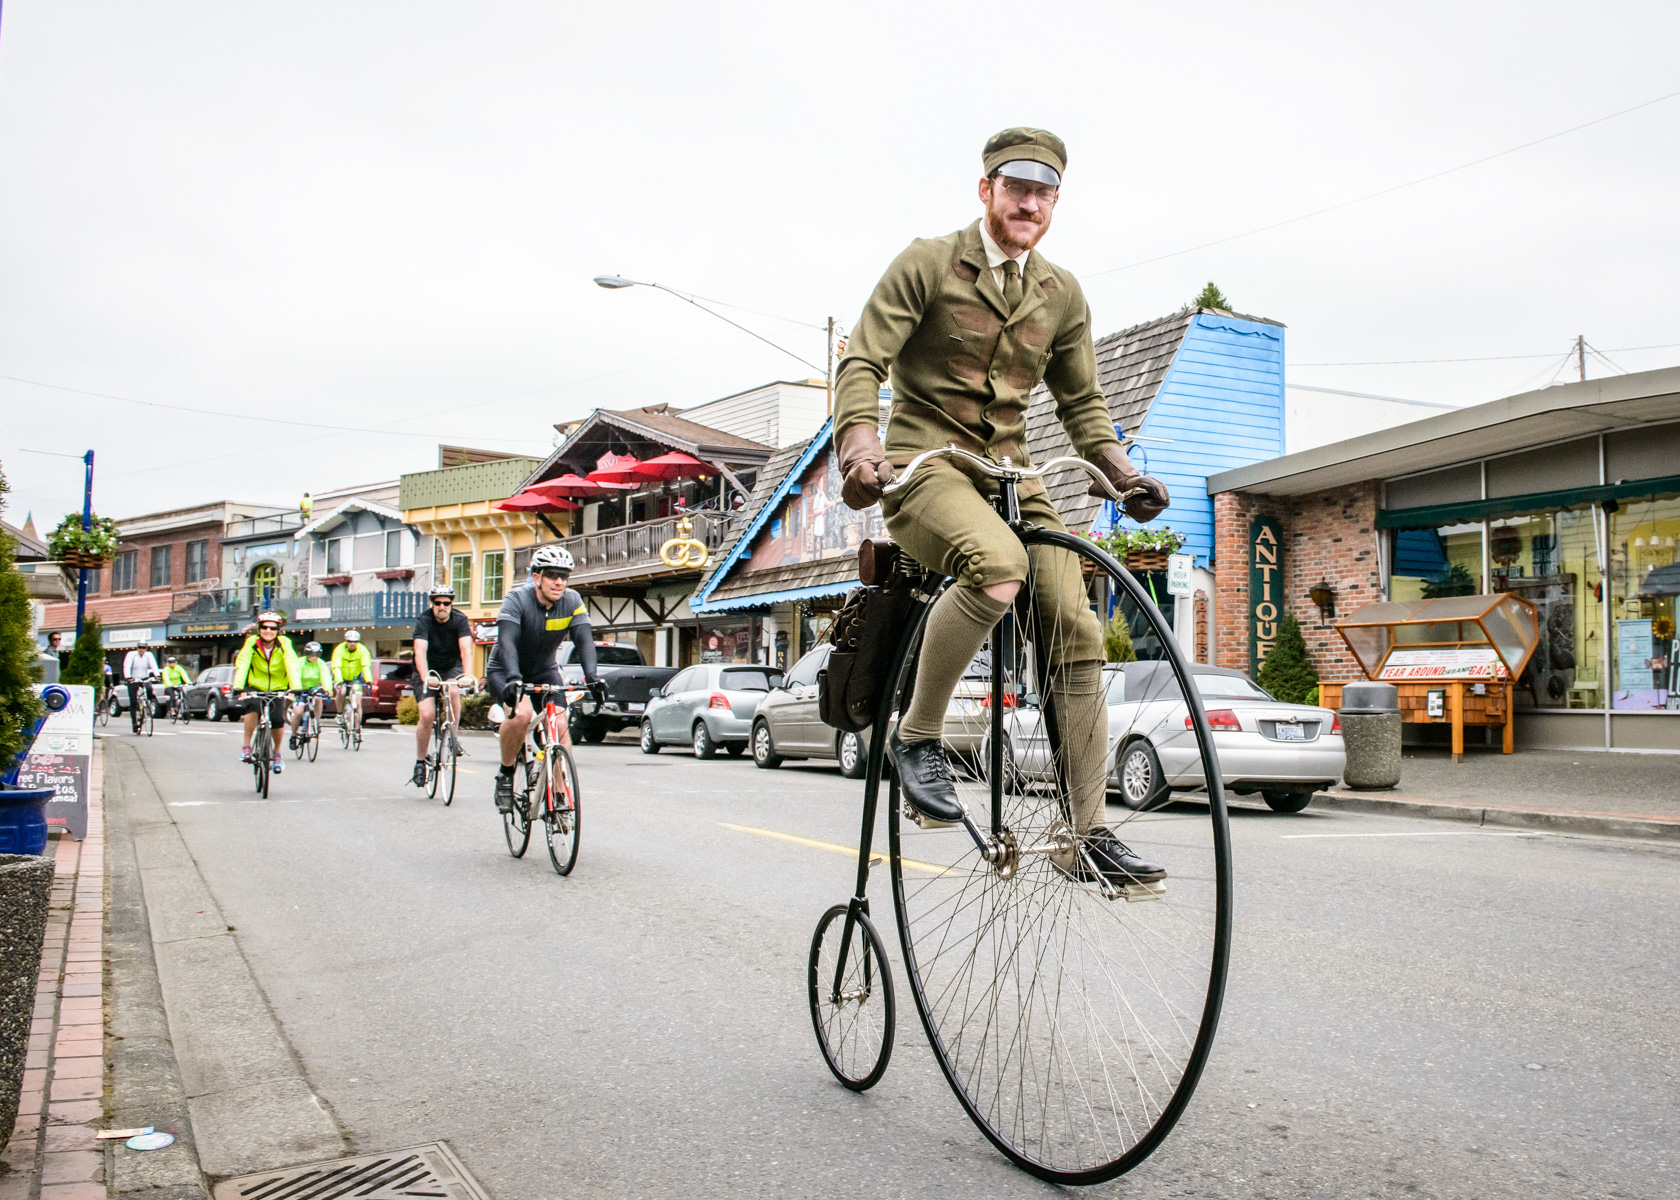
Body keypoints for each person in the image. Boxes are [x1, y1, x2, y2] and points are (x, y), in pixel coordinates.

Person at [832, 127, 1172, 887]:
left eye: (1044, 192)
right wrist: (860, 449)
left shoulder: (1060, 292)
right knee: (997, 565)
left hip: (1017, 473)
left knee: (1076, 624)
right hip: (926, 468)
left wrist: (1120, 475)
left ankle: (1085, 833)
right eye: (1016, 187)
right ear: (985, 190)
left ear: (1056, 202)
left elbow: (1083, 403)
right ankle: (916, 736)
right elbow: (861, 361)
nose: (1029, 202)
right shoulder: (927, 263)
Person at [484, 545, 603, 815]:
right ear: (536, 577)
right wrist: (513, 677)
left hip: (544, 670)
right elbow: (507, 643)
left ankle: (560, 794)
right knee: (522, 715)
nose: (559, 582)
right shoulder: (517, 599)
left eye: (564, 576)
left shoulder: (572, 601)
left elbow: (585, 642)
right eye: (552, 575)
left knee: (559, 722)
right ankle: (505, 774)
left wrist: (593, 678)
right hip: (505, 669)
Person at [411, 586, 475, 786]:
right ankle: (420, 762)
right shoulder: (424, 620)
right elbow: (420, 652)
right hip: (427, 670)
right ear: (432, 604)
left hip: (450, 668)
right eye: (437, 603)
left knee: (454, 690)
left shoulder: (460, 620)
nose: (442, 607)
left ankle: (452, 738)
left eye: (446, 603)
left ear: (451, 604)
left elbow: (466, 650)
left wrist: (468, 675)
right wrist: (425, 677)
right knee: (427, 715)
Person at [232, 612, 300, 772]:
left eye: (272, 628)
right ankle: (247, 746)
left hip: (277, 687)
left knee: (277, 719)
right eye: (264, 627)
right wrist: (238, 687)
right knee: (253, 708)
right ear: (259, 628)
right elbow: (243, 663)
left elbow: (291, 663)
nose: (268, 630)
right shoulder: (251, 643)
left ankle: (276, 753)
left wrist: (295, 687)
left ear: (278, 630)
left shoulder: (285, 643)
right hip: (255, 685)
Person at [288, 643, 333, 750]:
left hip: (313, 688)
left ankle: (317, 722)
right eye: (312, 654)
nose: (314, 657)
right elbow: (295, 675)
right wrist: (296, 689)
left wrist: (328, 689)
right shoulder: (300, 662)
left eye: (317, 655)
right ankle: (293, 736)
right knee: (298, 712)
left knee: (318, 699)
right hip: (299, 689)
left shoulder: (321, 663)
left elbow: (325, 676)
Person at [330, 630, 377, 733]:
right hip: (341, 678)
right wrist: (339, 681)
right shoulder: (339, 650)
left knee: (358, 702)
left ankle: (357, 728)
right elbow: (336, 667)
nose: (353, 644)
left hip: (355, 679)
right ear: (346, 641)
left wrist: (369, 680)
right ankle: (339, 714)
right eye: (350, 641)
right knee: (341, 692)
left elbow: (365, 666)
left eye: (355, 641)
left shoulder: (363, 650)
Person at [122, 642, 161, 733]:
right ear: (137, 648)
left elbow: (153, 665)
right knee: (133, 701)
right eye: (140, 647)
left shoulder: (149, 655)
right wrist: (128, 677)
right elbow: (127, 666)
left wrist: (157, 675)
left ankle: (148, 703)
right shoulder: (131, 654)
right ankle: (134, 723)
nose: (141, 649)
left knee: (150, 689)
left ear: (146, 648)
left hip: (144, 677)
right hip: (133, 678)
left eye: (144, 648)